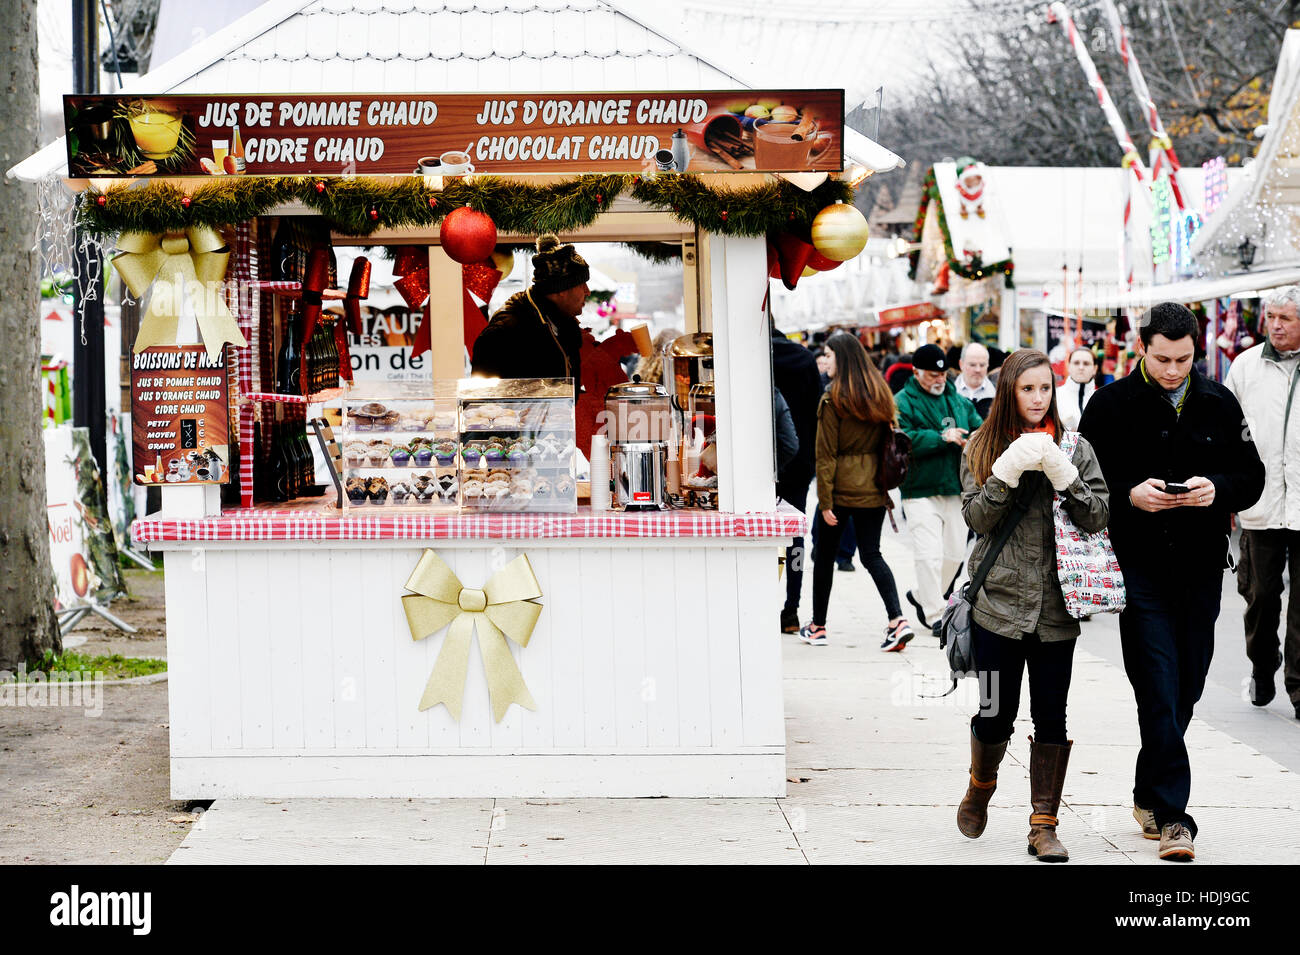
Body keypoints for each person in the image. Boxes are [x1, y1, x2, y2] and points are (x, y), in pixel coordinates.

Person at [1079, 302, 1264, 862]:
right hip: (1138, 568)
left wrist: (1220, 490)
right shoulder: (1108, 404)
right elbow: (1084, 486)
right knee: (1157, 685)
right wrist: (1129, 495)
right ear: (1142, 347)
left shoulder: (1218, 401)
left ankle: (1147, 792)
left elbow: (1251, 476)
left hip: (1203, 568)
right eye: (1162, 358)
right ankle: (1174, 819)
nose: (1172, 369)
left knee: (1186, 688)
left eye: (1184, 358)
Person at [956, 349, 1110, 862]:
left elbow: (1098, 516)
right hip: (996, 607)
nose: (1038, 398)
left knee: (1052, 717)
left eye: (1045, 388)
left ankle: (1044, 824)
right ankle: (981, 784)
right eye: (1027, 389)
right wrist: (1007, 473)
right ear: (1009, 392)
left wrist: (1066, 476)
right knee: (995, 713)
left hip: (1055, 610)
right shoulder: (980, 446)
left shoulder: (1077, 446)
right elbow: (977, 519)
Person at [799, 333, 912, 650]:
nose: (825, 361)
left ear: (842, 359)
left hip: (842, 492)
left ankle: (818, 626)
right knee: (872, 554)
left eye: (829, 355)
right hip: (875, 489)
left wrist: (825, 500)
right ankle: (897, 620)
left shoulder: (832, 398)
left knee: (824, 556)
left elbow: (826, 454)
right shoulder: (880, 394)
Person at [1224, 286, 1300, 719]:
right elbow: (1226, 431)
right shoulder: (1246, 366)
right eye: (1271, 316)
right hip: (1261, 503)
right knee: (1261, 594)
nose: (1275, 325)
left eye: (1285, 318)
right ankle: (1262, 666)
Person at [896, 343, 984, 634]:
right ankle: (935, 613)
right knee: (928, 553)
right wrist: (940, 437)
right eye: (932, 374)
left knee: (955, 554)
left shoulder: (958, 401)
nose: (939, 379)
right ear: (916, 372)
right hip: (918, 489)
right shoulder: (902, 401)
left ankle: (923, 596)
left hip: (955, 489)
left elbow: (979, 429)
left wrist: (970, 438)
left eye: (943, 374)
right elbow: (900, 438)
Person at [471, 234, 588, 395]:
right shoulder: (504, 331)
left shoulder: (563, 324)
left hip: (558, 419)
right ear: (561, 289)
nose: (588, 292)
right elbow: (483, 403)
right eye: (582, 284)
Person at [772, 322, 825, 633]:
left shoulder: (751, 357)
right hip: (801, 461)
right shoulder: (804, 358)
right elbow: (818, 411)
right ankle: (791, 607)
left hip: (759, 461)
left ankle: (764, 594)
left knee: (759, 532)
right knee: (794, 536)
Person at [1055, 346, 1098, 430]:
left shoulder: (1101, 397)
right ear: (1068, 366)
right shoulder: (1056, 396)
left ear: (1095, 369)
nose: (1081, 367)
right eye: (1076, 363)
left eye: (1086, 363)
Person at [955, 342, 996, 418]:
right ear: (961, 364)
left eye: (982, 365)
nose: (978, 370)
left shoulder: (998, 395)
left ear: (988, 365)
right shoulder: (948, 394)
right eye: (972, 365)